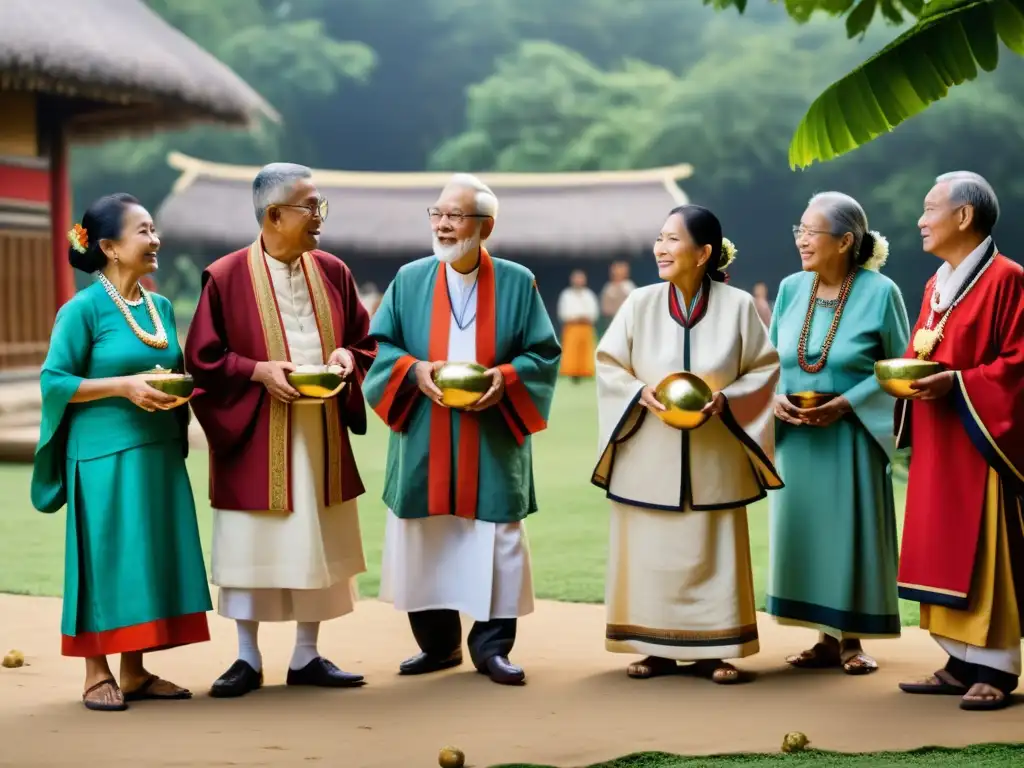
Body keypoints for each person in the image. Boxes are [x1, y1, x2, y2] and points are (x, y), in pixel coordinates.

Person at [184, 163, 377, 698]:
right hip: (253, 430)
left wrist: (345, 356)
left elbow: (365, 341)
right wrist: (257, 372)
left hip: (320, 432)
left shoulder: (334, 271)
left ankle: (307, 654)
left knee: (316, 538)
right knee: (253, 542)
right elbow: (201, 359)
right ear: (273, 215)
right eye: (310, 206)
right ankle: (246, 657)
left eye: (320, 206)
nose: (320, 217)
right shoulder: (224, 276)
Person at [363, 173, 561, 686]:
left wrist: (507, 376)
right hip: (424, 429)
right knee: (424, 539)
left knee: (496, 540)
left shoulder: (519, 282)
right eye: (438, 214)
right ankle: (438, 645)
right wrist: (415, 370)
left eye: (455, 216)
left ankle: (492, 647)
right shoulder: (409, 280)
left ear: (486, 226)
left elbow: (543, 354)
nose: (444, 225)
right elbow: (379, 348)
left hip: (491, 434)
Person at [31, 194, 211, 711]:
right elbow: (55, 381)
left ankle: (134, 671)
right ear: (108, 247)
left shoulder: (157, 308)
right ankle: (96, 671)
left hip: (155, 452)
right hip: (102, 457)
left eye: (155, 230)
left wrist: (176, 391)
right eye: (143, 232)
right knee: (106, 556)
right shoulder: (82, 310)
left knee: (145, 557)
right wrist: (122, 386)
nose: (155, 241)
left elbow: (171, 369)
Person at [592, 204, 782, 684]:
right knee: (651, 552)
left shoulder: (737, 306)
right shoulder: (639, 303)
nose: (661, 248)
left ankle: (716, 649)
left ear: (704, 253)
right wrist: (640, 393)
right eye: (659, 238)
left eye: (673, 239)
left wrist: (727, 398)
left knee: (713, 550)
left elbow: (764, 369)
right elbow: (609, 363)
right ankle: (653, 647)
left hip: (714, 454)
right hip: (647, 451)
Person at [895, 172, 1024, 711]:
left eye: (930, 209)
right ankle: (958, 662)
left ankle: (995, 667)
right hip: (939, 436)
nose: (921, 220)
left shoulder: (1007, 278)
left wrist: (958, 382)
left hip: (981, 442)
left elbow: (1018, 364)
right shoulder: (936, 284)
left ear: (964, 216)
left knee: (986, 551)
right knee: (940, 545)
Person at [766, 192, 910, 675]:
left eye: (812, 232)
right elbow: (770, 361)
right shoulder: (790, 289)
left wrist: (847, 403)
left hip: (853, 437)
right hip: (798, 440)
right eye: (799, 230)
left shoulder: (880, 292)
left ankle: (852, 640)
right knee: (807, 533)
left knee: (850, 535)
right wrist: (777, 397)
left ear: (846, 241)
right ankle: (823, 638)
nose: (802, 240)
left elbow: (901, 368)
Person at [556, 269, 599, 382]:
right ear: (572, 280)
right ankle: (570, 372)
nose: (579, 281)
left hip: (586, 327)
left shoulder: (589, 295)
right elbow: (563, 313)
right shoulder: (566, 295)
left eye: (581, 278)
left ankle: (586, 372)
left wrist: (585, 318)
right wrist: (575, 318)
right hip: (571, 327)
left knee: (586, 350)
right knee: (571, 350)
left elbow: (594, 313)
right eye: (577, 278)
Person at [599, 261, 636, 336]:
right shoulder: (608, 288)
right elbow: (604, 308)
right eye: (616, 269)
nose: (618, 272)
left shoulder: (629, 286)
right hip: (611, 324)